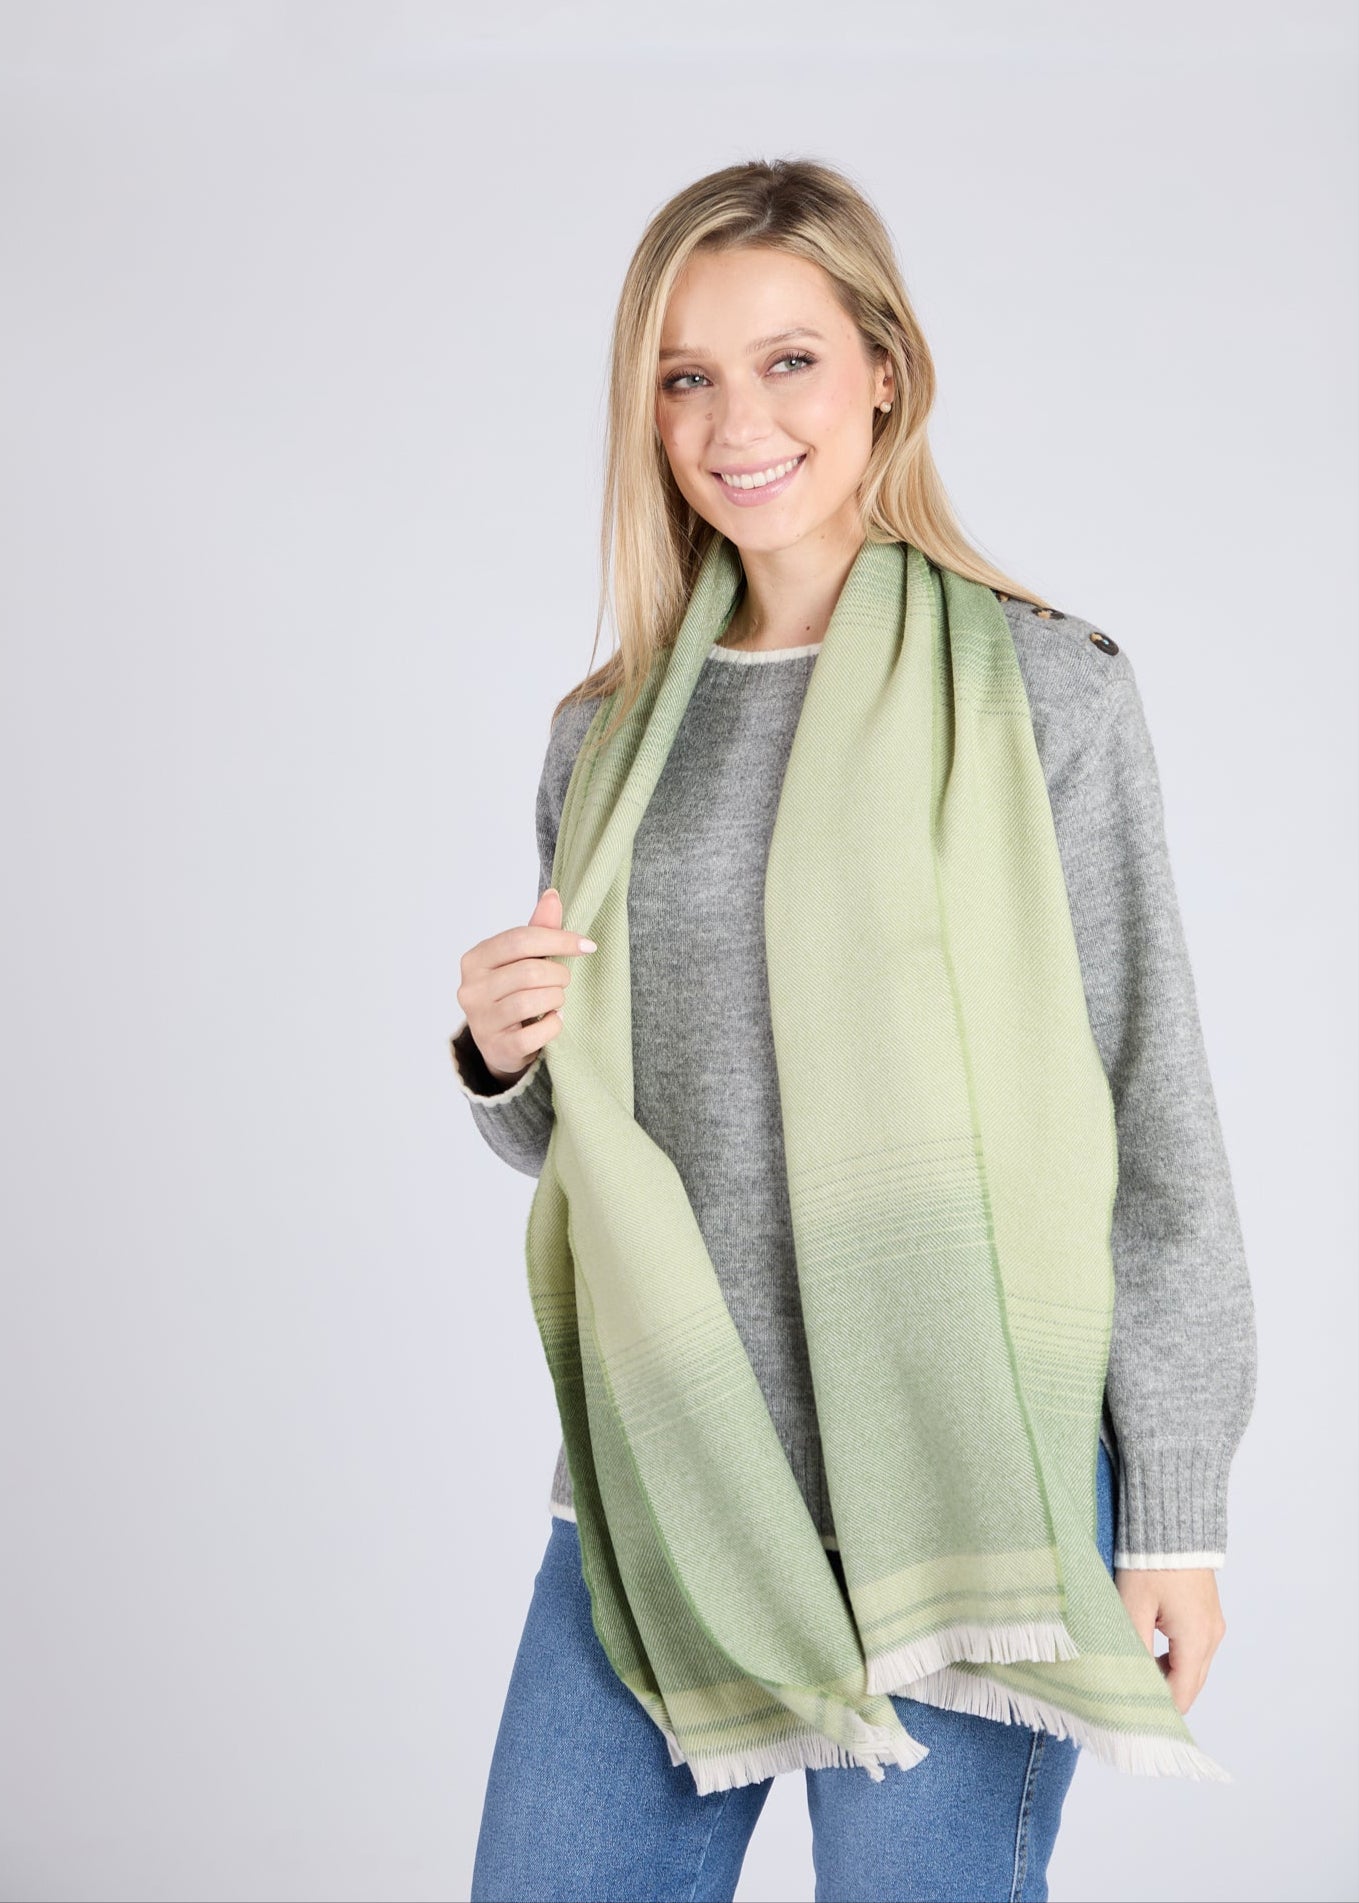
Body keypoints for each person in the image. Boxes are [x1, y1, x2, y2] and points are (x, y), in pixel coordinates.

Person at [448, 157, 1257, 1903]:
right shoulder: (608, 738)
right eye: (686, 376)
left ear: (886, 370)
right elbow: (600, 1139)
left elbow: (1152, 1112)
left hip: (973, 1489)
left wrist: (1178, 1513)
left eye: (790, 361)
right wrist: (504, 1057)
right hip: (672, 1485)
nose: (736, 421)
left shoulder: (1045, 690)